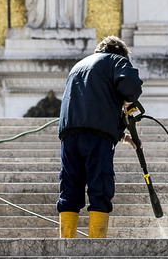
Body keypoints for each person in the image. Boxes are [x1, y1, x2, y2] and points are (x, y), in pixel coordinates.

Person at [57, 36, 143, 238]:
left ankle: (65, 244)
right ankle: (97, 246)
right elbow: (131, 86)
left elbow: (93, 104)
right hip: (97, 138)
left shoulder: (78, 66)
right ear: (121, 54)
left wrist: (122, 136)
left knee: (70, 188)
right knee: (100, 187)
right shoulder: (116, 60)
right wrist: (127, 100)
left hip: (69, 136)